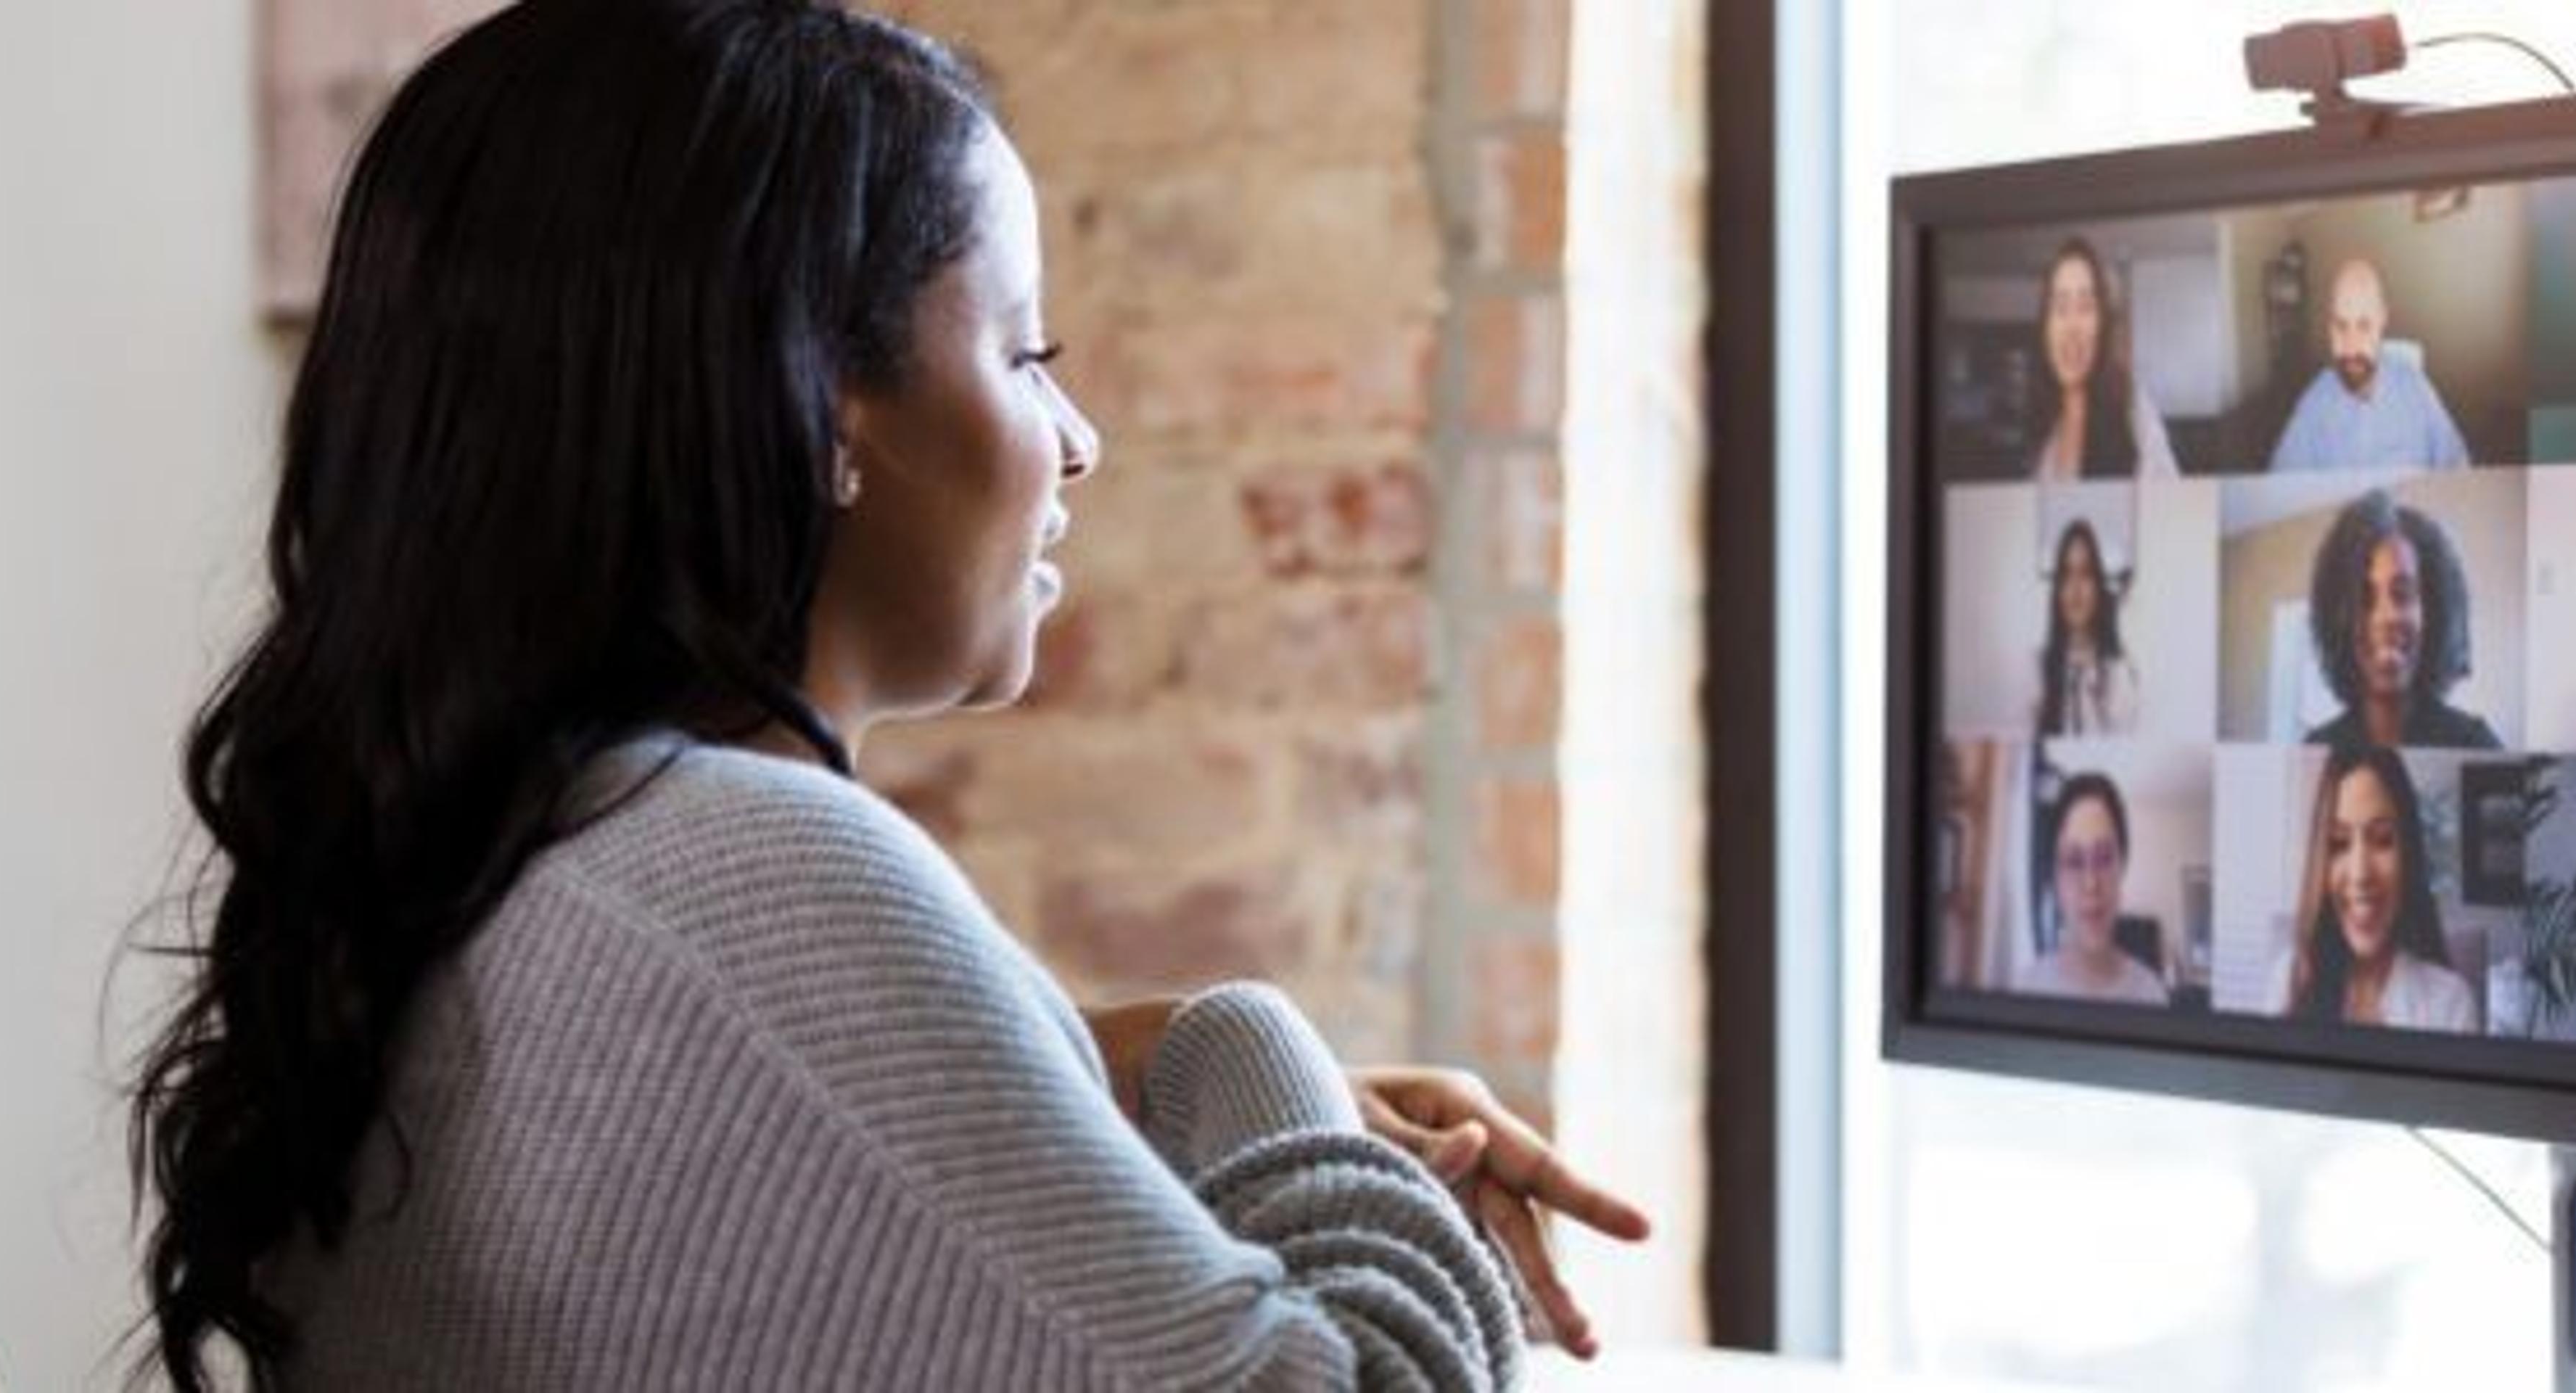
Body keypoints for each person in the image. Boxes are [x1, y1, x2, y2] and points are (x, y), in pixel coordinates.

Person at [124, 4, 1646, 1389]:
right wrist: (1236, 1051)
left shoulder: (494, 873)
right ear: (819, 400)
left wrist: (1090, 1079)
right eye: (1023, 350)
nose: (1078, 439)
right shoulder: (742, 864)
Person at [2279, 746, 2480, 1032]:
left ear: (2408, 855)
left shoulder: (2450, 1003)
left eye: (2382, 839)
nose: (2360, 874)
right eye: (2339, 843)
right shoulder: (2287, 978)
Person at [2302, 490, 2499, 749]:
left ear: (2432, 612)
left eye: (2402, 595)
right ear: (2338, 619)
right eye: (2365, 599)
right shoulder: (2316, 748)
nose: (2387, 618)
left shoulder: (2474, 743)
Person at [2268, 257, 2471, 472]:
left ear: (2382, 321)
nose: (2351, 346)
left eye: (2364, 326)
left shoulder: (2416, 388)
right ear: (2329, 327)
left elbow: (2457, 465)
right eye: (2341, 326)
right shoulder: (2314, 404)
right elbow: (2279, 484)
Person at [2026, 238, 2180, 480]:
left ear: (2104, 325)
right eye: (2060, 307)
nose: (2072, 327)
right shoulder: (2045, 426)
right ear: (2045, 326)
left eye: (2086, 307)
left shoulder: (2134, 411)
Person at [2015, 773, 2168, 1006]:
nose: (2091, 884)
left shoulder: (2153, 994)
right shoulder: (2025, 989)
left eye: (2105, 858)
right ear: (2055, 879)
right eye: (2074, 861)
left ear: (2122, 867)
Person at [2035, 518, 2139, 736]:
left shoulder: (2119, 672)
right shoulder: (2037, 669)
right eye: (2066, 575)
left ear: (2098, 586)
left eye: (2085, 574)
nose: (2075, 589)